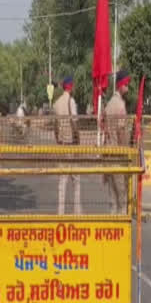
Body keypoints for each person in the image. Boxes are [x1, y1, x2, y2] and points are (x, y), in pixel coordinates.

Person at [103, 70, 133, 214]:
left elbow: (103, 125)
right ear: (120, 85)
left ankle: (111, 228)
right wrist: (126, 151)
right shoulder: (120, 105)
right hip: (118, 154)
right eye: (126, 84)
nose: (128, 87)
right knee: (122, 196)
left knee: (112, 197)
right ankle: (121, 229)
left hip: (108, 153)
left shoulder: (109, 103)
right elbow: (121, 133)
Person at [53, 76, 82, 214]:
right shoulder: (71, 101)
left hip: (61, 144)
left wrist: (58, 140)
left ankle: (61, 212)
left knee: (62, 180)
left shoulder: (56, 103)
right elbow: (75, 122)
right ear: (70, 86)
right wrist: (78, 139)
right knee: (76, 179)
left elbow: (55, 126)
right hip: (71, 143)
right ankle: (77, 211)